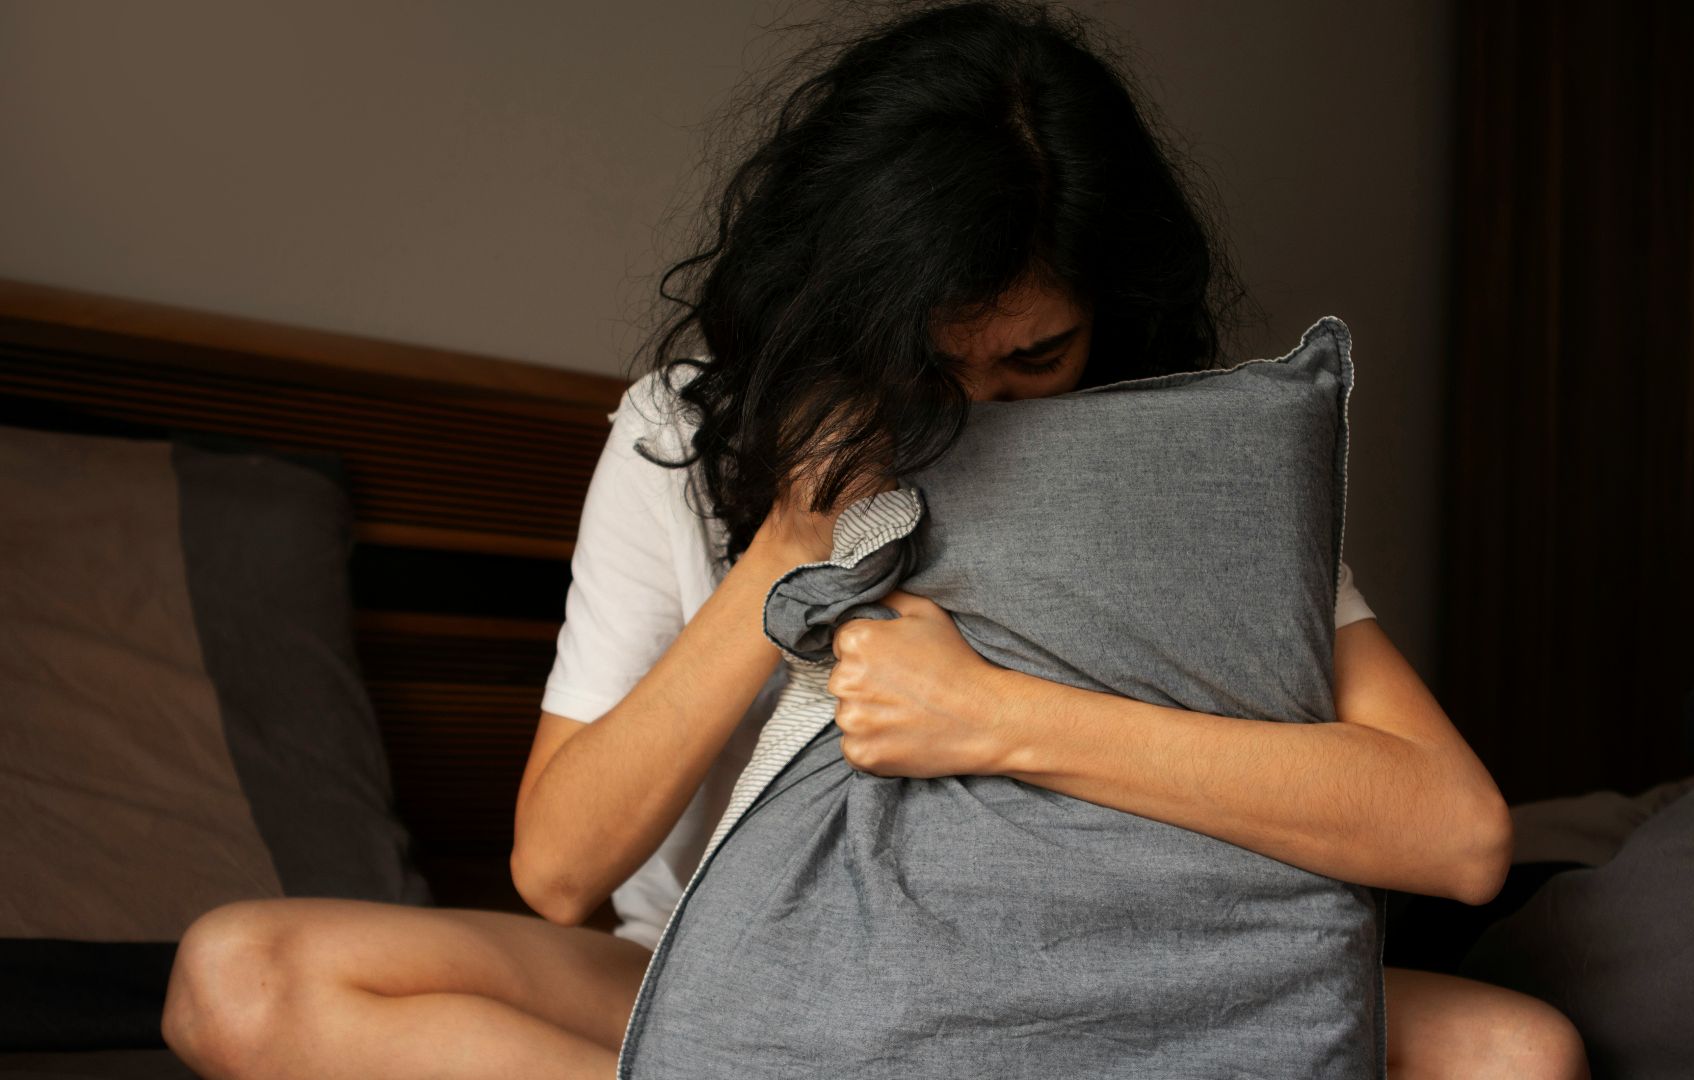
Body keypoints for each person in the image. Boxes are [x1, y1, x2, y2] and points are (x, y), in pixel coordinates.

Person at [160, 2, 1588, 1077]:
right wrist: (788, 546)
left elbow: (1454, 838)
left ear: (1113, 308)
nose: (977, 405)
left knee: (1517, 1057)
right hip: (732, 985)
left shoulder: (1186, 474)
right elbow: (557, 872)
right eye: (930, 358)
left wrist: (999, 720)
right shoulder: (686, 432)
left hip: (1110, 983)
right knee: (241, 978)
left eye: (1034, 357)